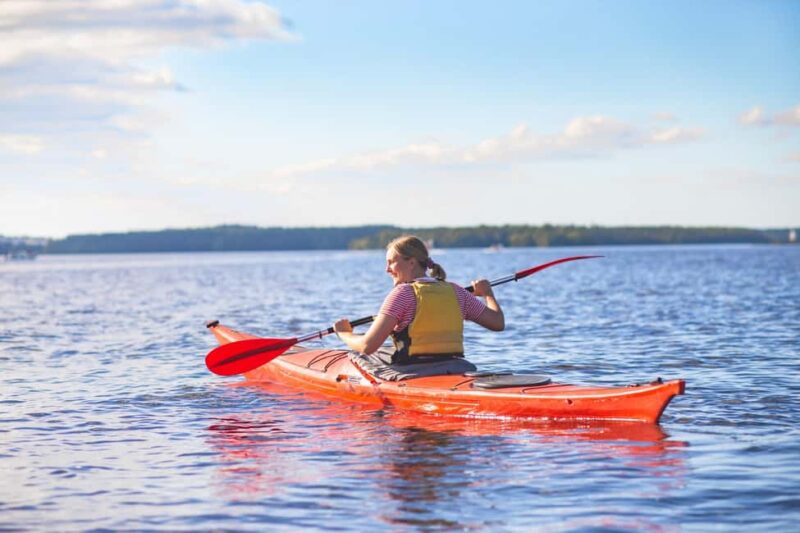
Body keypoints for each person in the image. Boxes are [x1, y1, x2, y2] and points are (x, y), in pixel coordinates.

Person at [333, 235, 504, 376]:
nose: (387, 269)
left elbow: (367, 346)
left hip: (413, 371)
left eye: (391, 262)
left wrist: (344, 334)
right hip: (454, 366)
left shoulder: (402, 294)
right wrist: (488, 294)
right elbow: (497, 323)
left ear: (412, 262)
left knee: (356, 355)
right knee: (385, 350)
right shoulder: (457, 291)